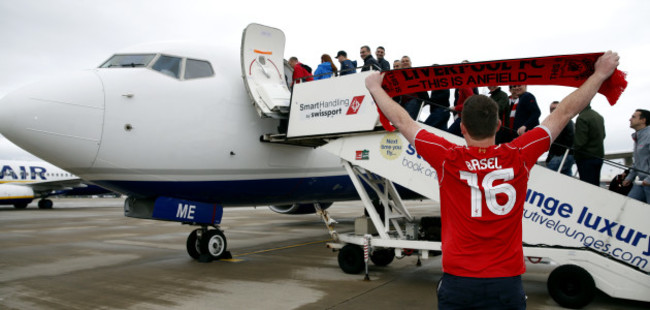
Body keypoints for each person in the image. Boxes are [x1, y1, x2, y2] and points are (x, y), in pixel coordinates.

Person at [364, 51, 619, 309]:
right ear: (498, 125)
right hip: (506, 283)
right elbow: (563, 113)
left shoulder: (447, 158)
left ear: (462, 127)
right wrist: (599, 74)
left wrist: (375, 87)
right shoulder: (519, 155)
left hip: (459, 282)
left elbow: (402, 120)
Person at [574, 103, 606, 186]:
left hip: (585, 158)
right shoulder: (598, 116)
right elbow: (603, 135)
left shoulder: (582, 118)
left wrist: (573, 151)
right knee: (595, 185)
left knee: (586, 186)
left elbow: (580, 141)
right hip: (599, 156)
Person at [622, 109, 650, 203]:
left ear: (643, 120)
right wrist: (629, 178)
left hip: (648, 182)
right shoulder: (638, 137)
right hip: (641, 182)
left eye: (633, 117)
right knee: (629, 206)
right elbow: (637, 162)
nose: (630, 119)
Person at [545, 101, 575, 176]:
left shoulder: (565, 121)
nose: (553, 110)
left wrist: (557, 154)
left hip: (562, 155)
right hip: (565, 155)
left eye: (555, 108)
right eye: (552, 109)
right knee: (566, 177)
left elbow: (570, 139)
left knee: (548, 175)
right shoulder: (554, 122)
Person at [395, 56, 427, 120]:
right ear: (401, 64)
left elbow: (423, 86)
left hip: (413, 101)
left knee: (408, 120)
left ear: (410, 63)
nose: (405, 62)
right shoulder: (398, 76)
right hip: (402, 103)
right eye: (403, 61)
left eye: (407, 61)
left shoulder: (416, 73)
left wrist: (424, 101)